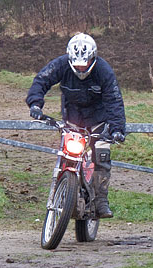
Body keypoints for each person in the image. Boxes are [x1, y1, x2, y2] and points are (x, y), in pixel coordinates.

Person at [25, 32, 126, 218]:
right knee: (67, 153)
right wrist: (35, 104)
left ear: (93, 59)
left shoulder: (104, 70)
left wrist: (117, 129)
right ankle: (63, 188)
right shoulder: (60, 64)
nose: (81, 68)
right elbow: (41, 80)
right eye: (77, 64)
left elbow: (114, 100)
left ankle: (101, 200)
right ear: (70, 59)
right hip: (73, 119)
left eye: (85, 64)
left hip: (98, 120)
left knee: (102, 154)